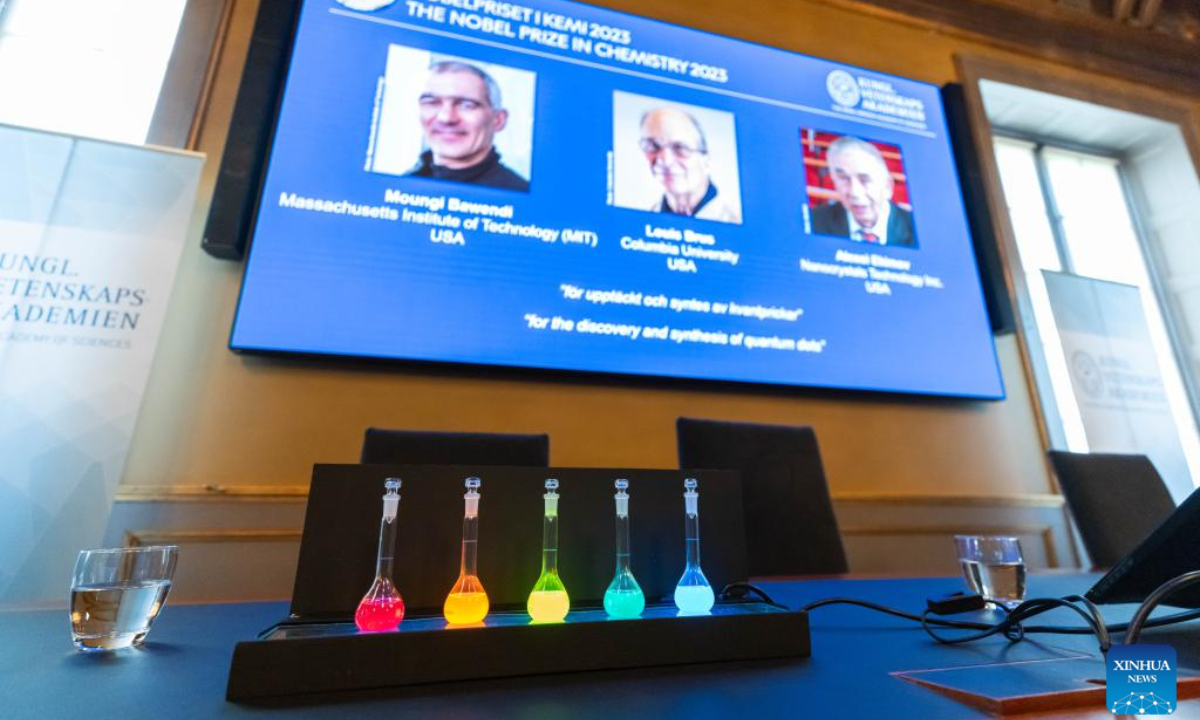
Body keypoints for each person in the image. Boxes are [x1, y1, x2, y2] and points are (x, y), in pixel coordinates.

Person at [406, 61, 529, 191]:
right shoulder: (401, 185)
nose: (446, 118)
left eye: (466, 105)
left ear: (498, 120)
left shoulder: (521, 196)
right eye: (431, 102)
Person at [810, 135, 916, 247]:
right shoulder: (813, 221)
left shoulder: (916, 228)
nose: (854, 192)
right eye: (844, 179)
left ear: (887, 186)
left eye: (865, 180)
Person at [638, 108, 740, 224]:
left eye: (680, 147)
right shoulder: (638, 225)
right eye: (653, 146)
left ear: (706, 161)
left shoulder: (738, 226)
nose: (665, 160)